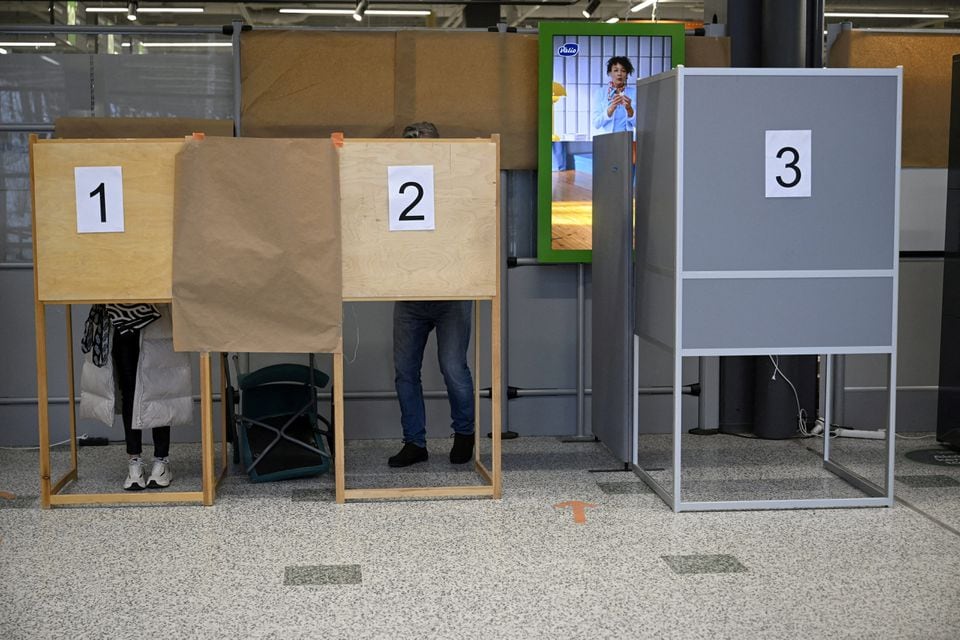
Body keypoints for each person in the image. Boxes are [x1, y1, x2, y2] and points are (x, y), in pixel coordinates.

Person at [388, 121, 476, 468]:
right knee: (405, 371)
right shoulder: (395, 184)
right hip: (409, 292)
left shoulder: (455, 184)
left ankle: (465, 433)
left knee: (453, 368)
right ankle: (414, 442)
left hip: (451, 291)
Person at [79, 304, 193, 490]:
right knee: (130, 391)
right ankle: (134, 461)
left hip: (156, 310)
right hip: (118, 315)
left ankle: (161, 460)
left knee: (159, 389)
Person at [592, 56, 636, 135]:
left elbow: (639, 124)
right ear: (610, 73)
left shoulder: (634, 93)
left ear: (627, 75)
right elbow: (596, 123)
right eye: (616, 70)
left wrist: (629, 109)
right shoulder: (600, 93)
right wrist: (611, 109)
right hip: (606, 139)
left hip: (627, 140)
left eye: (623, 71)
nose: (619, 74)